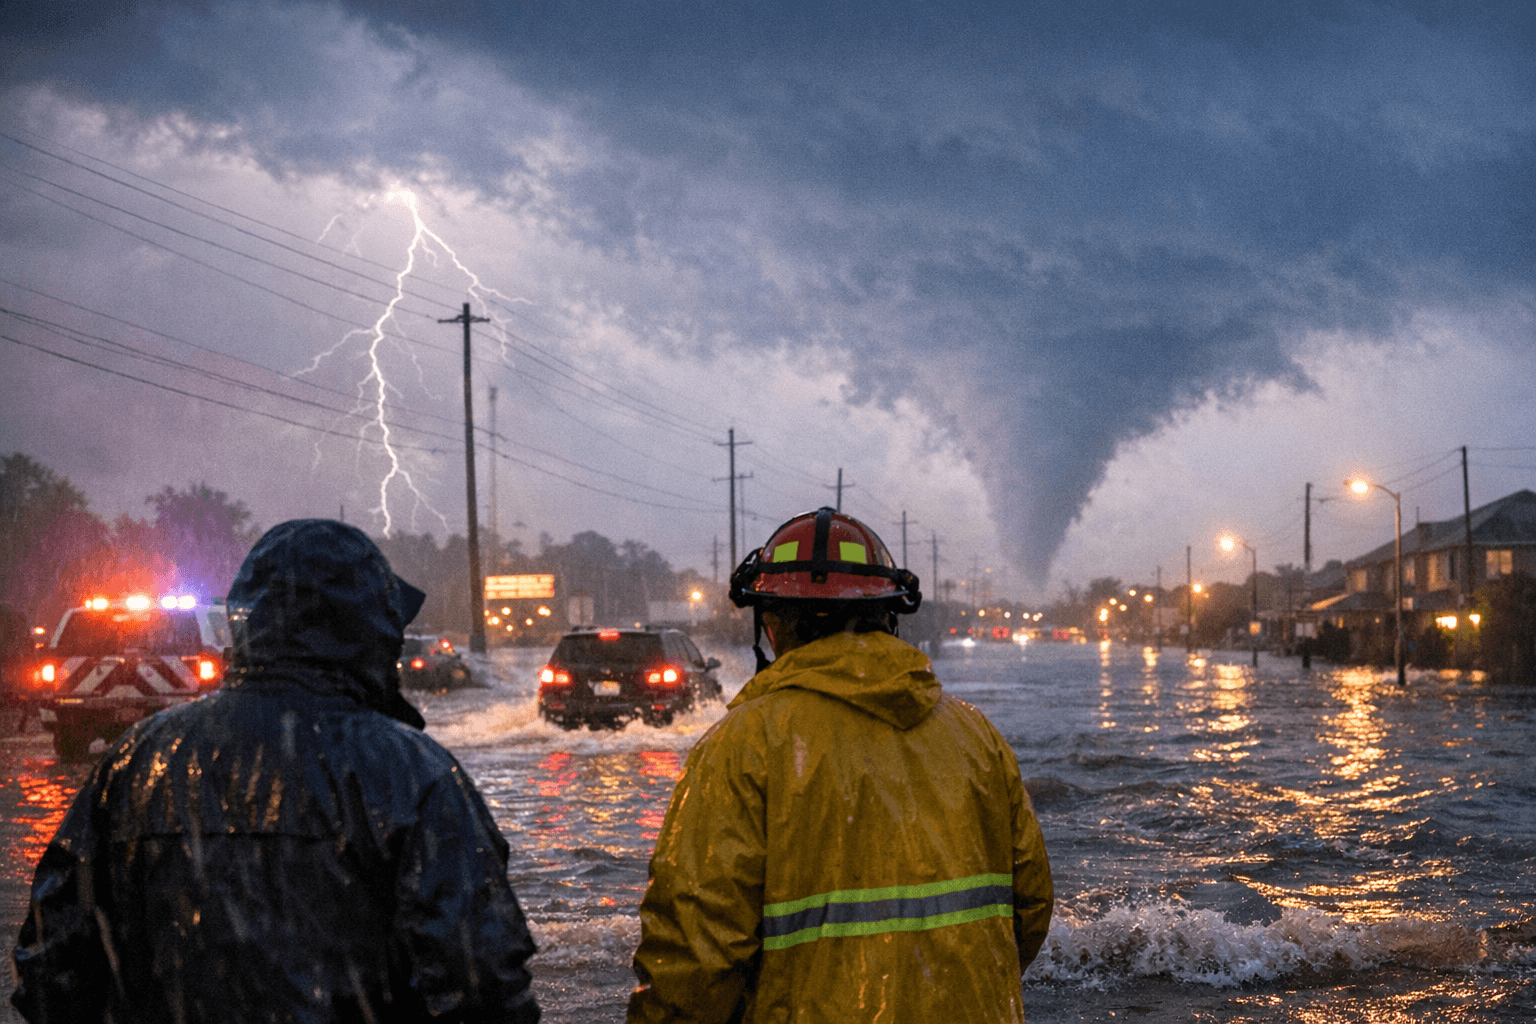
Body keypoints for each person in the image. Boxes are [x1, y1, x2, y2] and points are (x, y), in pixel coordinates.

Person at [11, 519, 540, 1024]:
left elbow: (52, 965)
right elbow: (481, 986)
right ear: (370, 634)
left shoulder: (134, 762)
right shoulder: (415, 773)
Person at [627, 507, 1052, 1023]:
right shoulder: (977, 737)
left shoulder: (742, 746)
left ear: (772, 625)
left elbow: (693, 956)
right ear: (889, 616)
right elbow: (1029, 908)